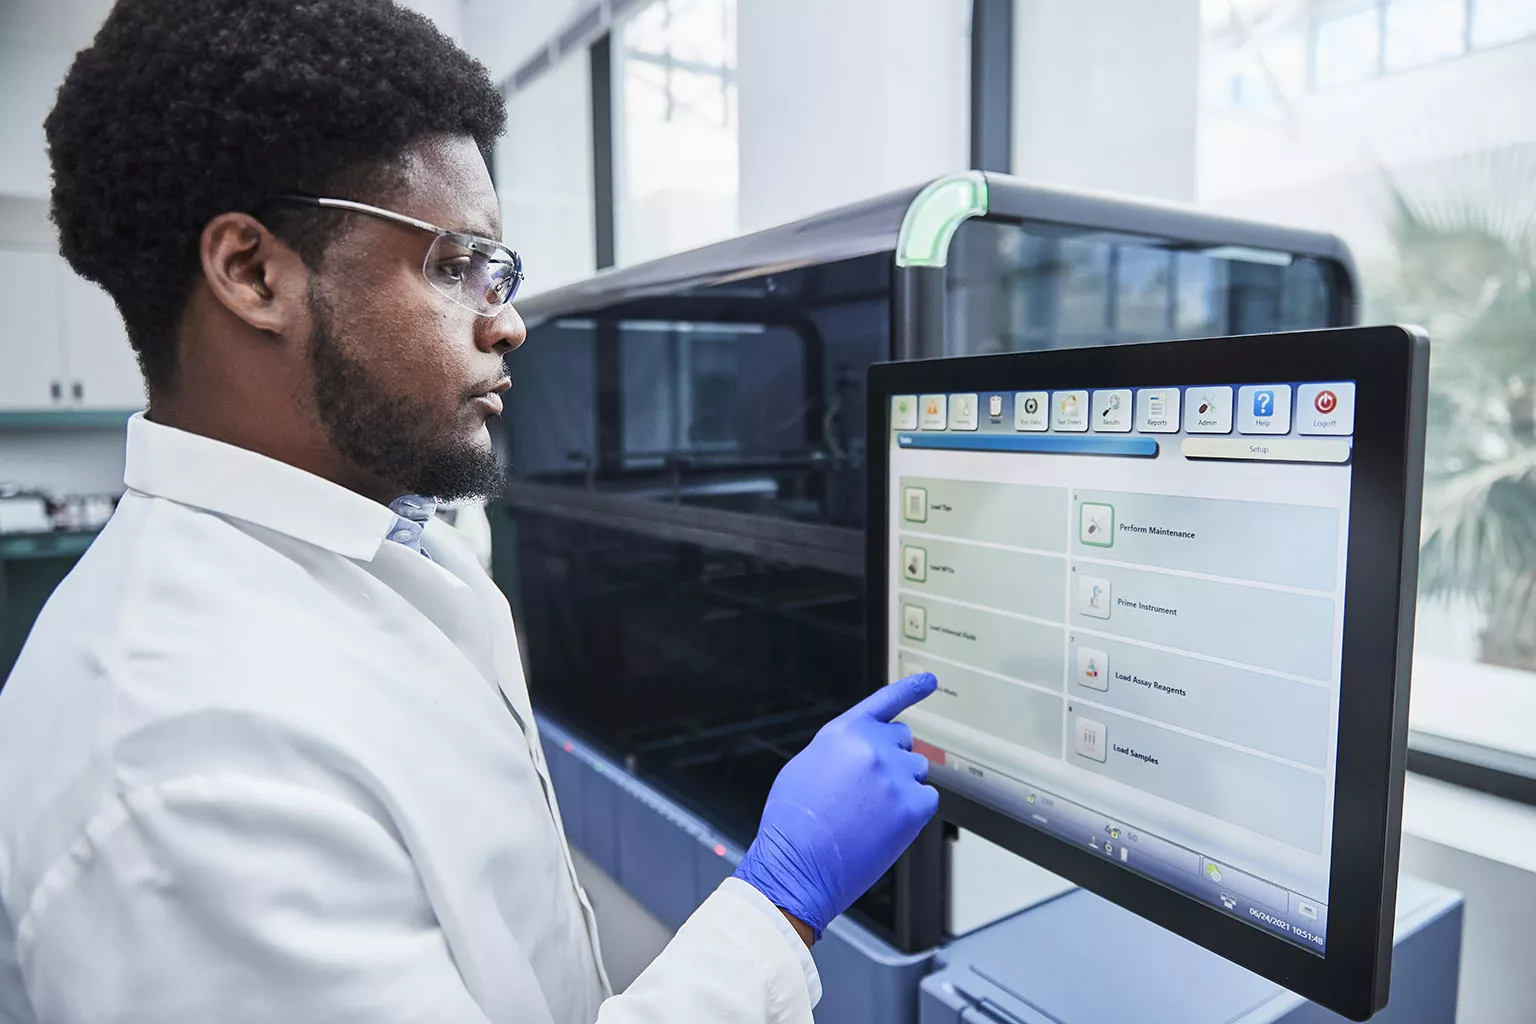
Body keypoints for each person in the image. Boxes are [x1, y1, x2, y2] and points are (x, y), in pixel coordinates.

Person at [0, 2, 940, 1022]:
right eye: (456, 266)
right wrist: (779, 904)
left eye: (499, 273)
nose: (509, 323)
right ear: (253, 272)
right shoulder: (185, 771)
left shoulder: (378, 539)